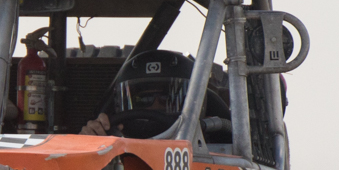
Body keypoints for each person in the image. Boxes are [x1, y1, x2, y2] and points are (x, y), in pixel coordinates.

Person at [80, 49, 229, 140]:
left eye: (167, 98)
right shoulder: (113, 149)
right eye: (143, 99)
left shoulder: (220, 151)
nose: (155, 105)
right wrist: (87, 147)